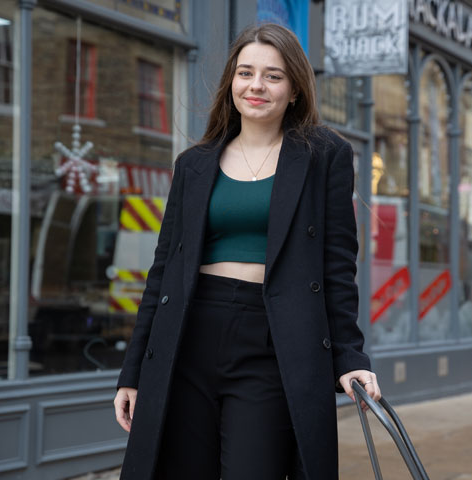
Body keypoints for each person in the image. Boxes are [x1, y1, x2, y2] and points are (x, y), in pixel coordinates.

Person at [113, 23, 381, 480]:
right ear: (231, 82)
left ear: (294, 89)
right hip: (188, 338)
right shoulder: (193, 165)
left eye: (273, 76)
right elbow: (163, 273)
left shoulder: (325, 156)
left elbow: (337, 267)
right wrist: (134, 371)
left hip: (273, 341)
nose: (256, 86)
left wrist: (350, 358)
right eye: (246, 73)